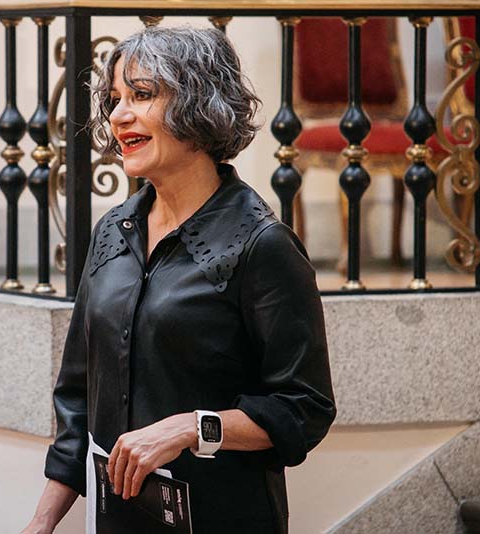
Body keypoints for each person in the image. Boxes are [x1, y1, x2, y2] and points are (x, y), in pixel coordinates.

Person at [21, 26, 335, 534]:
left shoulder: (262, 245)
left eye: (142, 95)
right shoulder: (112, 231)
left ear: (199, 106)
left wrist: (191, 428)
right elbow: (77, 397)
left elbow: (304, 408)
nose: (119, 115)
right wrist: (41, 522)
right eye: (115, 99)